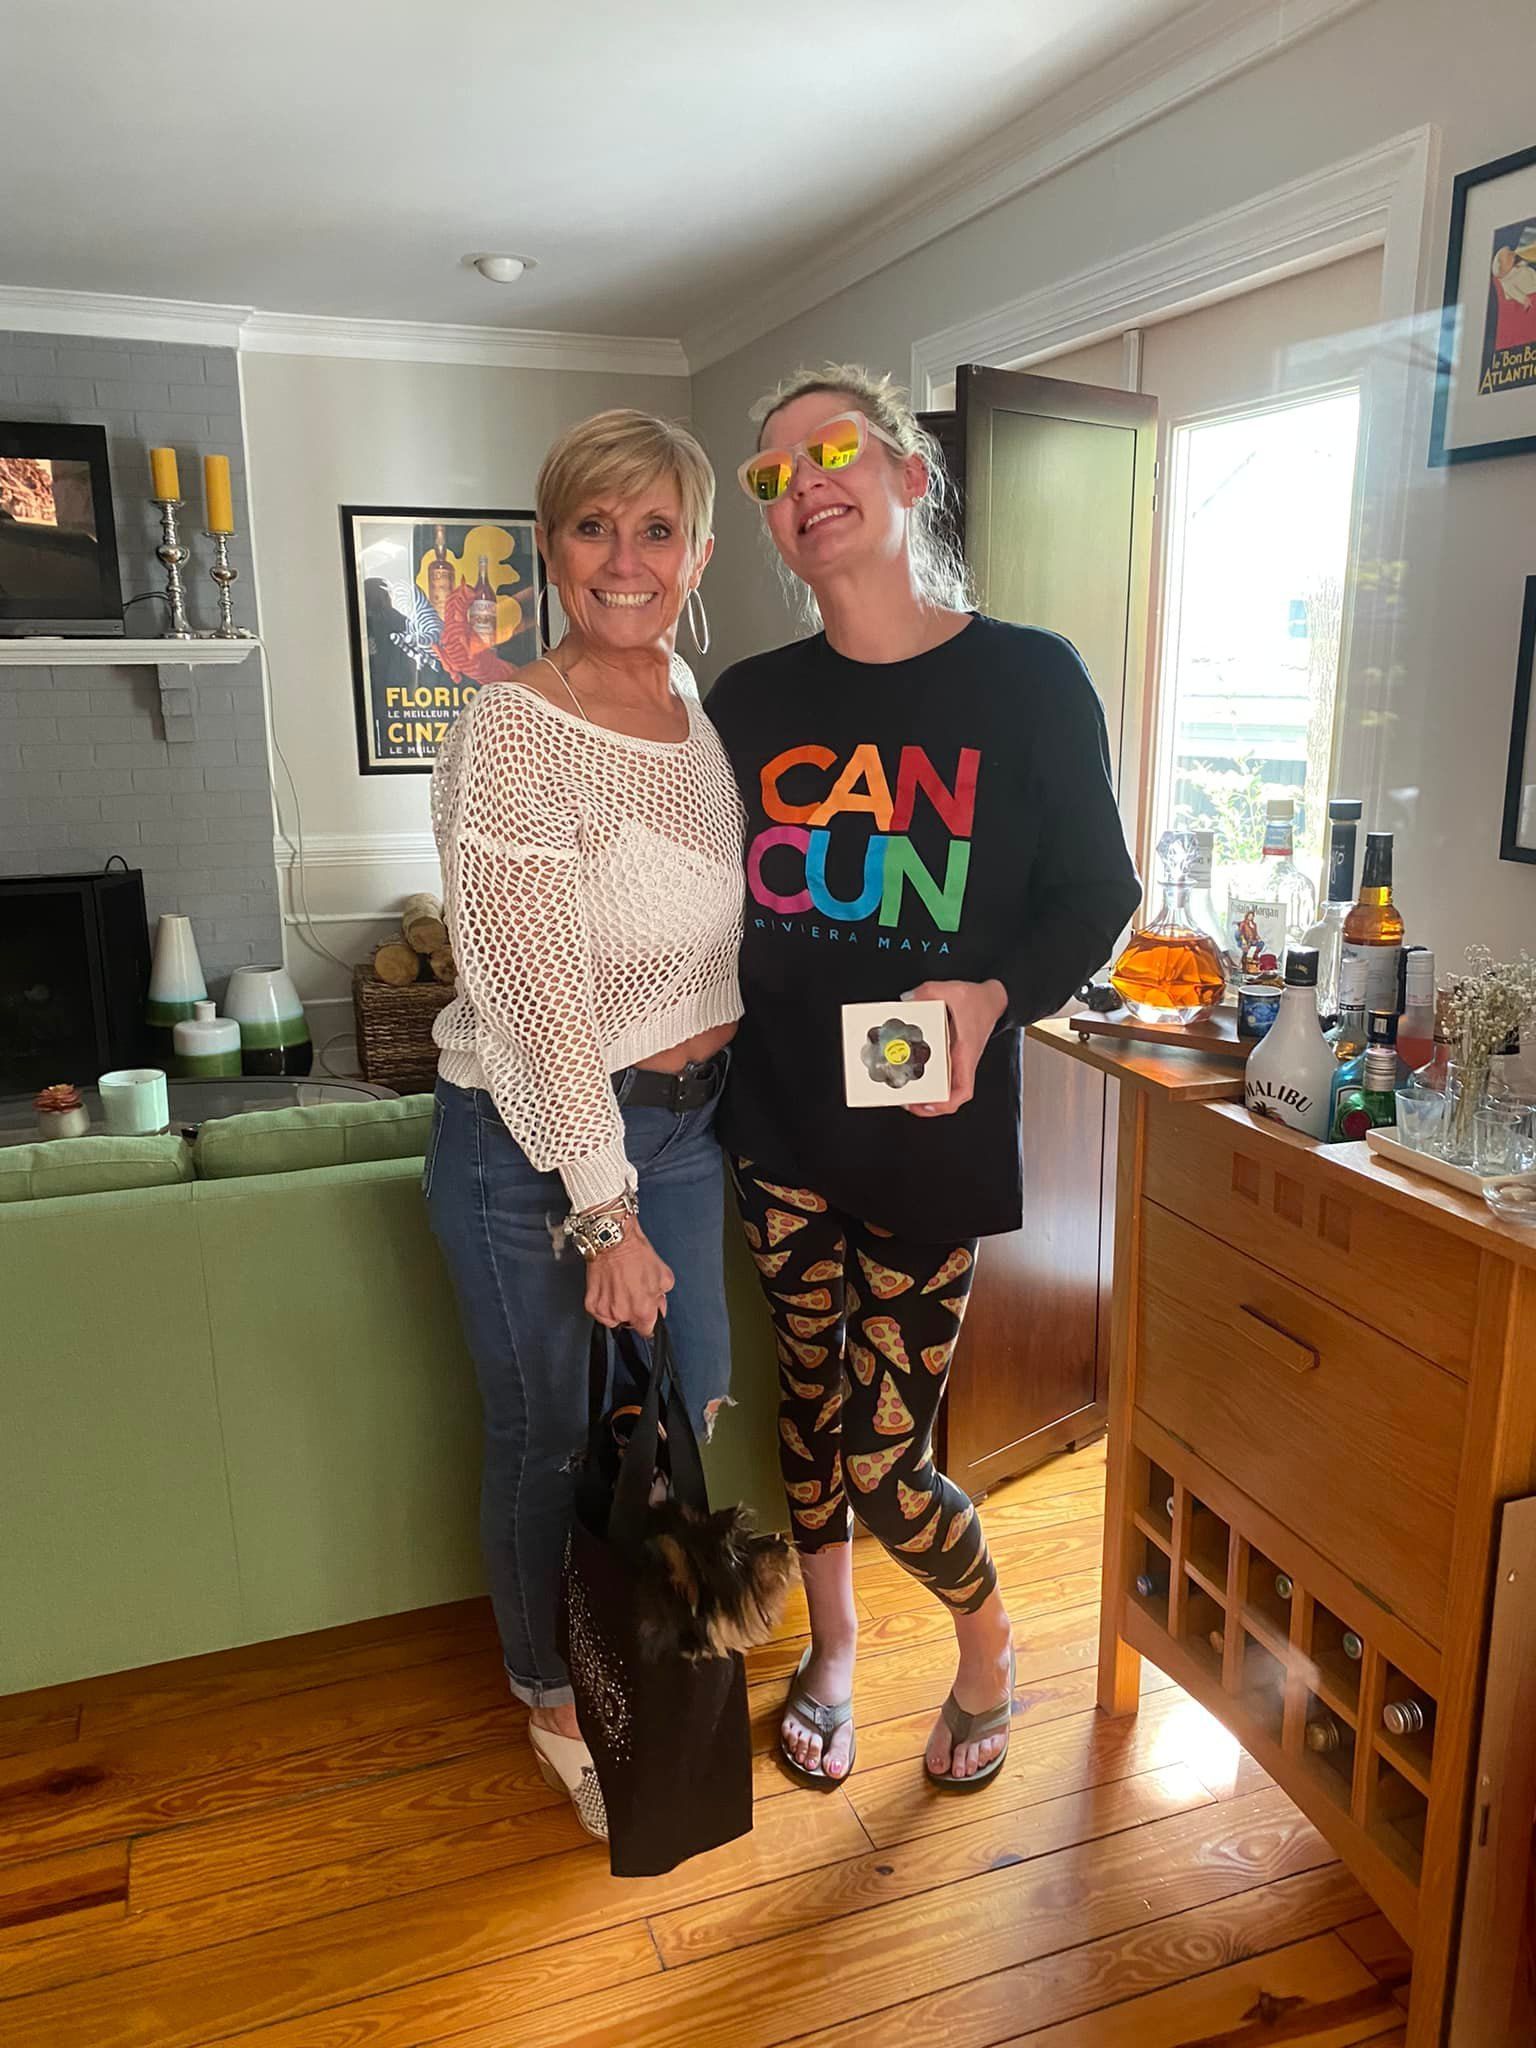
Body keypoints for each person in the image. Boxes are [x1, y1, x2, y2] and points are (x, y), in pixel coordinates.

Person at [708, 366, 1140, 1792]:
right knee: (806, 1401)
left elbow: (1098, 892)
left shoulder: (1030, 679)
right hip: (777, 1126)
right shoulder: (751, 702)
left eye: (831, 450)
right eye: (773, 476)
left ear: (911, 475)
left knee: (889, 1458)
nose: (803, 485)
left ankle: (987, 1644)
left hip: (929, 1140)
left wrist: (997, 994)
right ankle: (833, 1651)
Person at [426, 409, 745, 1838]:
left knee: (688, 1398)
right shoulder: (514, 727)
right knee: (553, 1431)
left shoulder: (693, 705)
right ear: (550, 548)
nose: (627, 559)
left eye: (657, 529)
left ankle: (648, 1648)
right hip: (536, 1140)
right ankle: (556, 1694)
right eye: (594, 527)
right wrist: (602, 1211)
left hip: (685, 1125)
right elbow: (531, 993)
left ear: (699, 553)